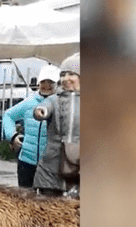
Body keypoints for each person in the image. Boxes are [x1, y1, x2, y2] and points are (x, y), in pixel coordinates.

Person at [1, 64, 61, 189]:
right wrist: (12, 136)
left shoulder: (60, 103)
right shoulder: (29, 102)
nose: (46, 85)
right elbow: (8, 115)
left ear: (57, 84)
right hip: (26, 161)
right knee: (25, 200)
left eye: (51, 82)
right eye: (43, 81)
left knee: (47, 202)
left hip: (50, 165)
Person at [33, 53, 80, 197]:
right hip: (52, 164)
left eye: (71, 74)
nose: (66, 79)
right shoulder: (55, 99)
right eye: (63, 74)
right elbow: (44, 107)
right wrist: (40, 111)